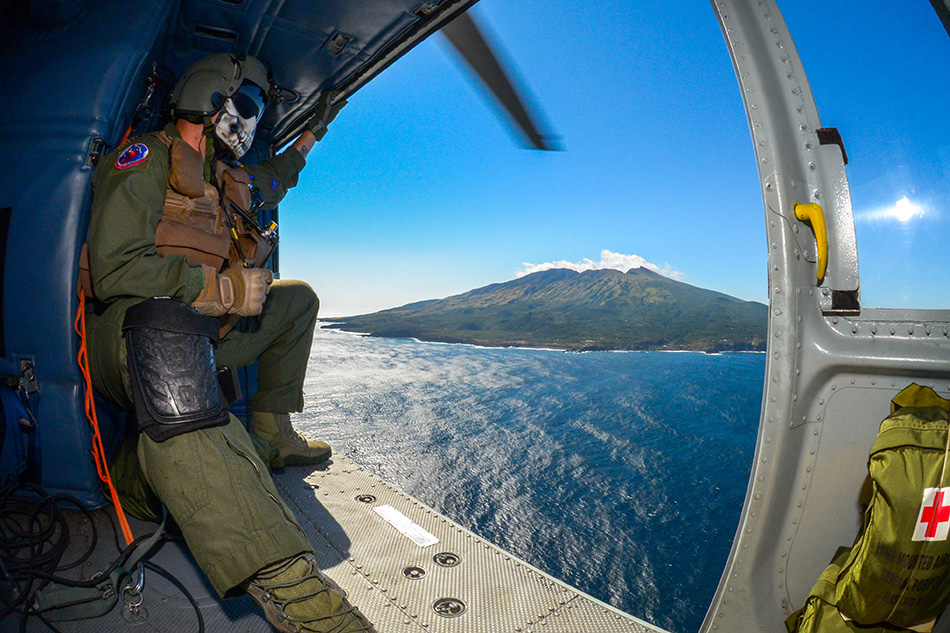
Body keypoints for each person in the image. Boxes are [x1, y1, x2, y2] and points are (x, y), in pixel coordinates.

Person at [83, 53, 373, 632]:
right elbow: (113, 268)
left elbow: (281, 174)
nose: (251, 119)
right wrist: (213, 288)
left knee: (296, 298)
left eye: (259, 110)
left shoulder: (223, 178)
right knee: (168, 330)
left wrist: (317, 128)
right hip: (130, 340)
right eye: (245, 104)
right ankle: (295, 592)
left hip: (204, 337)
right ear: (208, 96)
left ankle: (272, 432)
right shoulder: (144, 160)